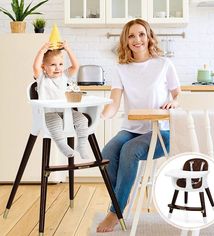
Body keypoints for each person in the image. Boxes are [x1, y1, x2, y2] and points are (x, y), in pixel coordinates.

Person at [97, 19, 181, 232]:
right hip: (131, 129)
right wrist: (102, 115)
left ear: (149, 36)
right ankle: (122, 200)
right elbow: (114, 101)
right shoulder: (121, 68)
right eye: (132, 36)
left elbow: (177, 93)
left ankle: (115, 212)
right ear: (126, 40)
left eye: (141, 34)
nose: (137, 40)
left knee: (130, 151)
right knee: (106, 154)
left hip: (162, 130)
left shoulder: (163, 64)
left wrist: (174, 102)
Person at [33, 41, 89, 159]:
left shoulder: (64, 76)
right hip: (48, 112)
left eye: (61, 64)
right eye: (53, 65)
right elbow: (35, 66)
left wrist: (68, 49)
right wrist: (42, 50)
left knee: (82, 120)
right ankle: (61, 144)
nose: (58, 68)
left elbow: (76, 66)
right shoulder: (42, 78)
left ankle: (82, 145)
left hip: (66, 111)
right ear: (44, 67)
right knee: (55, 122)